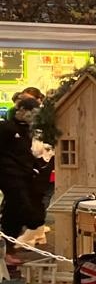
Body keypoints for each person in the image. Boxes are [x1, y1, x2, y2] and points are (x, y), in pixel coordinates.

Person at [0, 97, 46, 242]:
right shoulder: (6, 128)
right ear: (21, 110)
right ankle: (8, 246)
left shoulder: (28, 131)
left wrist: (35, 168)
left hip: (25, 175)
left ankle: (10, 246)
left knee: (21, 210)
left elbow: (27, 153)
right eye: (31, 113)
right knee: (20, 205)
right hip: (9, 175)